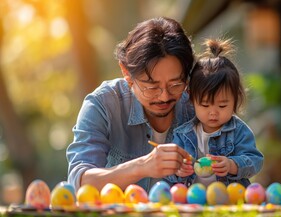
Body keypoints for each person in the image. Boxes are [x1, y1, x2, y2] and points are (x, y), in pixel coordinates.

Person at [66, 17, 195, 192]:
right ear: (126, 73)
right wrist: (141, 166)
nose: (164, 96)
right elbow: (78, 182)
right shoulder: (103, 105)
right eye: (151, 86)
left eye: (175, 84)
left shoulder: (198, 105)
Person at [166, 38, 263, 188]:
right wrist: (178, 170)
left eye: (222, 105)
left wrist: (232, 165)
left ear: (235, 100)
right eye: (205, 105)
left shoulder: (239, 131)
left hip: (228, 198)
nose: (213, 113)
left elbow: (255, 161)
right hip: (193, 200)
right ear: (192, 99)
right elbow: (169, 169)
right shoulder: (182, 134)